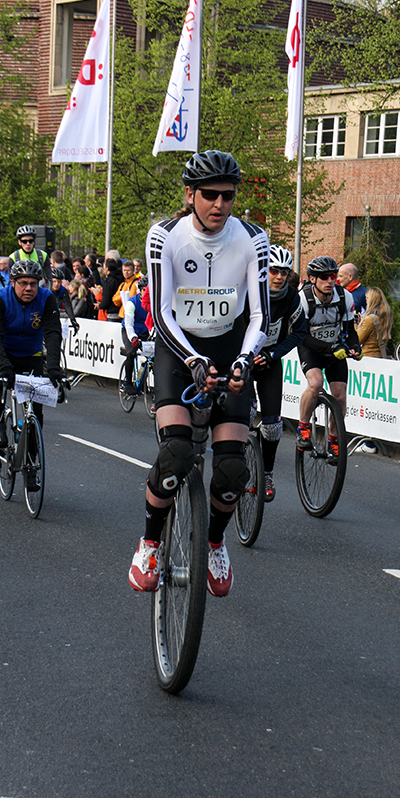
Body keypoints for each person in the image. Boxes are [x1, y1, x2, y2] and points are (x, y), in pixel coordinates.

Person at [128, 149, 270, 598]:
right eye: (209, 195)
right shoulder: (164, 237)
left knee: (231, 469)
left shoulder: (253, 239)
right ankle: (150, 542)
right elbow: (163, 312)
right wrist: (192, 360)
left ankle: (213, 543)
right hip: (179, 349)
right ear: (190, 194)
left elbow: (260, 317)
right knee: (176, 454)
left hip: (229, 348)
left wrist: (245, 360)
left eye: (227, 196)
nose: (219, 205)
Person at [0, 259, 65, 485]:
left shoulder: (46, 299)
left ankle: (31, 465)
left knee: (36, 414)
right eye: (23, 283)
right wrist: (3, 367)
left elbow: (52, 334)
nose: (28, 288)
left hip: (31, 354)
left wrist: (54, 369)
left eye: (33, 283)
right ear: (13, 283)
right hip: (3, 351)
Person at [252, 245, 305, 502]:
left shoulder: (292, 297)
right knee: (245, 413)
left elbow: (299, 332)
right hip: (244, 359)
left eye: (284, 272)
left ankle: (267, 473)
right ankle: (236, 461)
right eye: (274, 271)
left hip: (270, 360)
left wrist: (274, 354)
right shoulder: (250, 289)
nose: (279, 276)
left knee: (273, 425)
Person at [296, 256, 361, 459]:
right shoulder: (303, 299)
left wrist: (355, 347)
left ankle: (334, 441)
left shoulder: (344, 297)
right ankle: (303, 427)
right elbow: (302, 336)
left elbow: (350, 330)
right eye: (324, 277)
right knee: (315, 383)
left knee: (340, 396)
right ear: (313, 279)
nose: (330, 281)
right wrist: (331, 347)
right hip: (311, 347)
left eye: (333, 276)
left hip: (335, 348)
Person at [122, 274, 151, 394]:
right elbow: (129, 324)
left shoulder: (153, 303)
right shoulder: (132, 303)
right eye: (144, 290)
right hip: (130, 331)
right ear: (140, 290)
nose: (146, 292)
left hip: (144, 331)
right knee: (131, 352)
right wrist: (133, 337)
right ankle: (127, 383)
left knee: (155, 356)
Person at [356, 287, 393, 358]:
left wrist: (356, 324)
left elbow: (357, 340)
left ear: (371, 300)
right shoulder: (385, 316)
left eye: (367, 298)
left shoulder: (370, 320)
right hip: (379, 355)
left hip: (367, 356)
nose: (366, 301)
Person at [51, 269, 79, 334]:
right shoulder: (45, 289)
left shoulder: (62, 290)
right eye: (54, 281)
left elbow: (68, 306)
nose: (56, 284)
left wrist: (73, 320)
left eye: (59, 282)